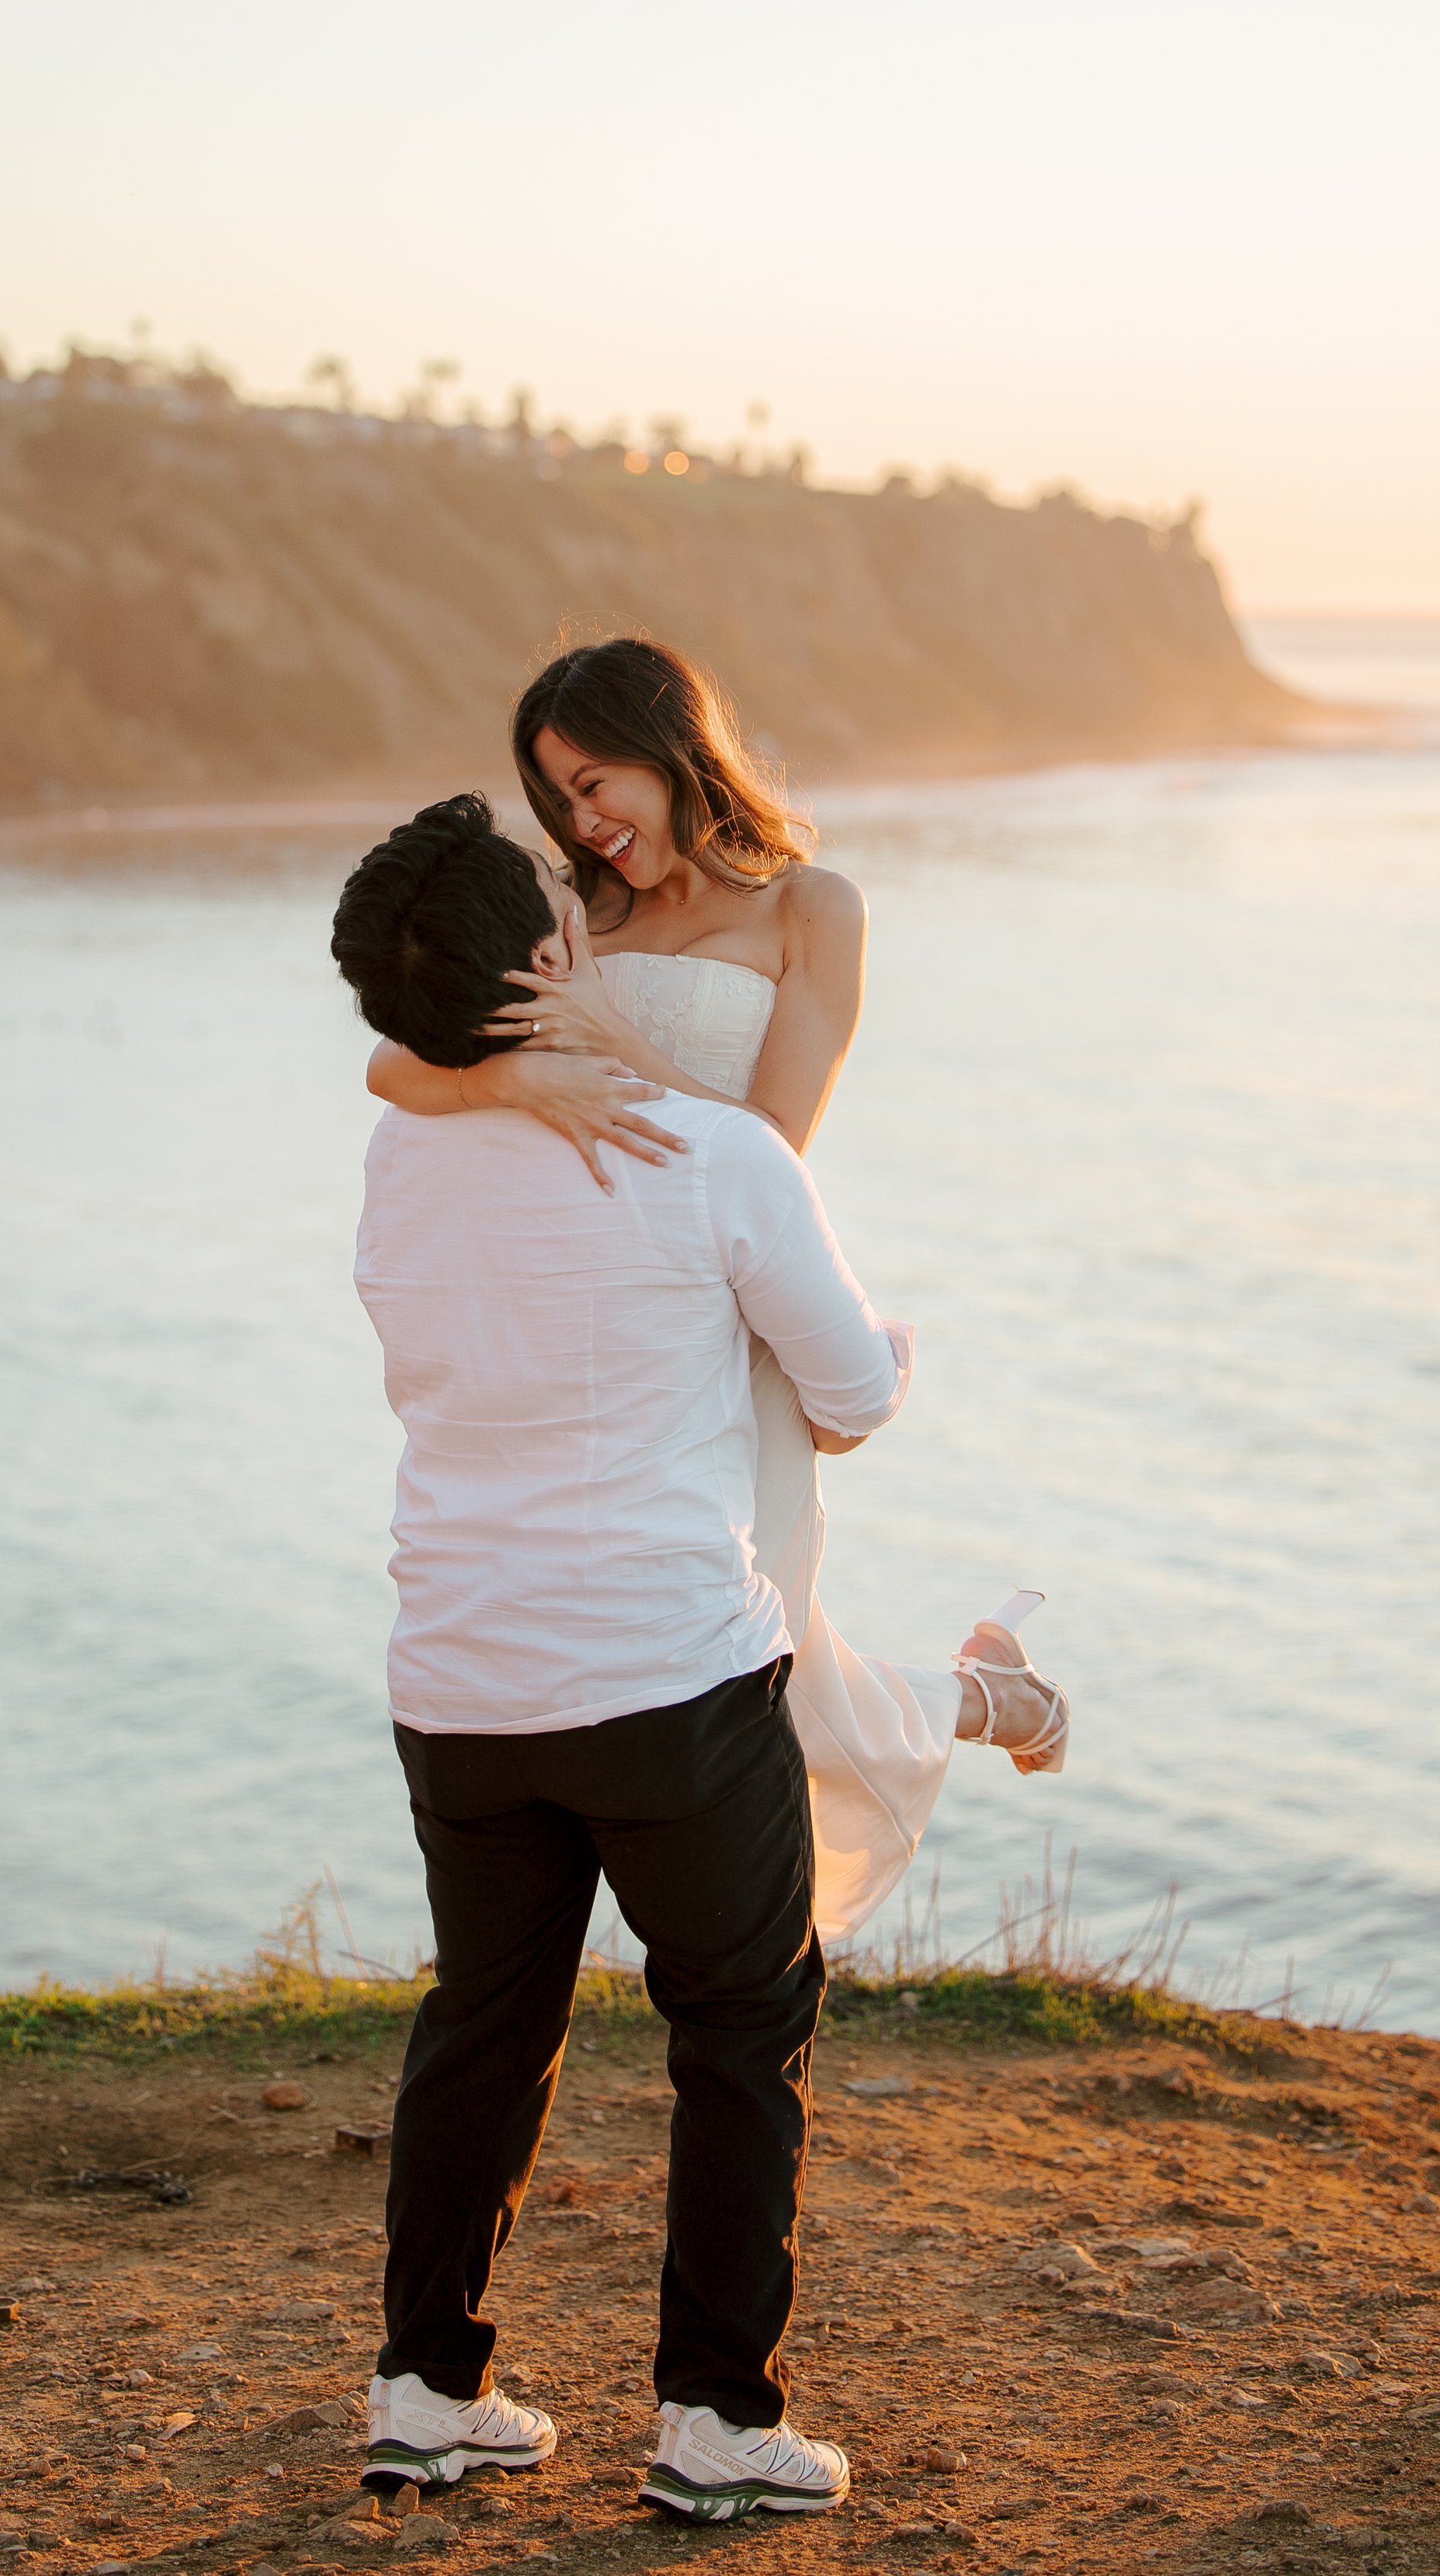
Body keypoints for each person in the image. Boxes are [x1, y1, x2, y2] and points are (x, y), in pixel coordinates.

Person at [331, 794, 1053, 2525]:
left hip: (458, 1675)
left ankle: (426, 2392)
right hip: (664, 1676)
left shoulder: (401, 1146)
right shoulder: (712, 1153)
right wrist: (878, 1333)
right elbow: (851, 1401)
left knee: (482, 2027)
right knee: (739, 2026)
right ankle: (715, 2423)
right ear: (554, 954)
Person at [367, 637, 1068, 1935]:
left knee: (760, 1658)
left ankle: (937, 1751)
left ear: (671, 744)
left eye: (597, 783)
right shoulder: (572, 912)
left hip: (735, 1312)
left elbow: (770, 1146)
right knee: (732, 1663)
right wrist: (515, 1076)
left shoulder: (814, 912)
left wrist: (610, 1042)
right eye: (557, 800)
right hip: (596, 1327)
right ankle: (974, 1707)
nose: (584, 822)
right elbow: (394, 1072)